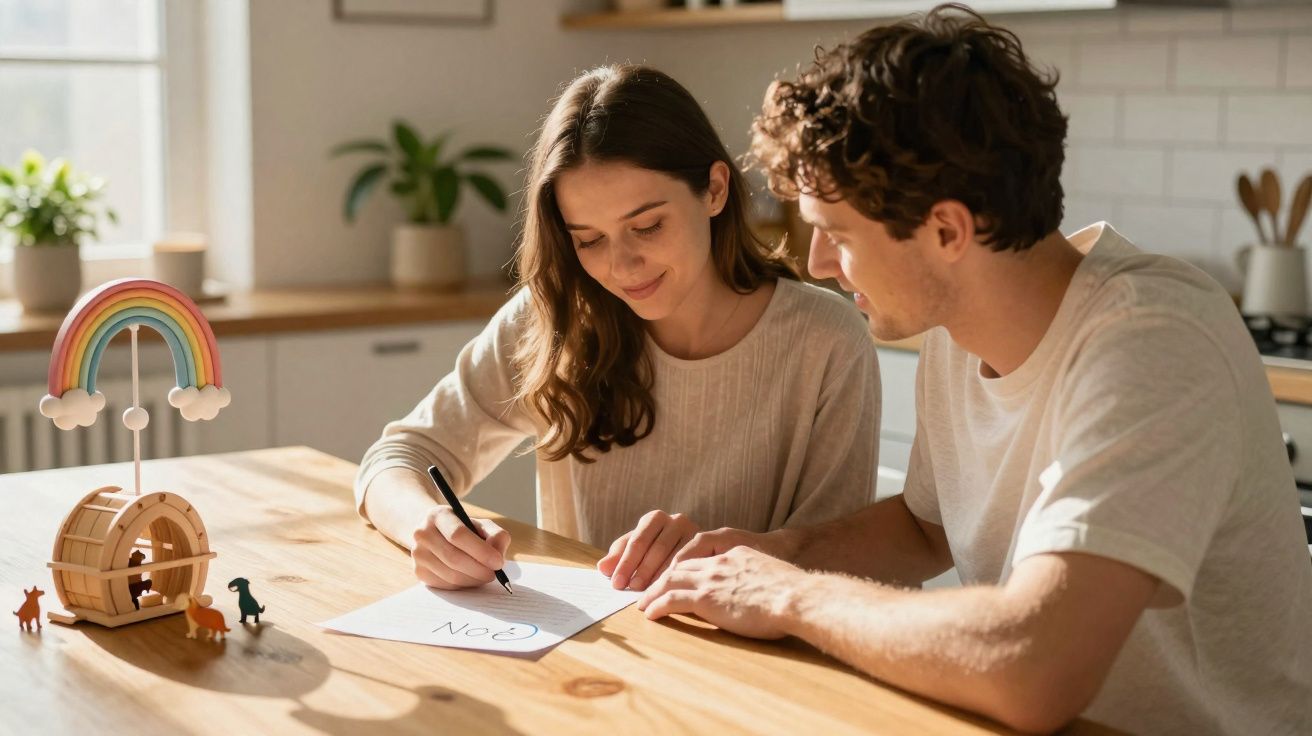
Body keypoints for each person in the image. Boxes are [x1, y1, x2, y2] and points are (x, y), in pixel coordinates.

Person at [637, 6, 1312, 734]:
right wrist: (772, 554)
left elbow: (1034, 667)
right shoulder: (957, 333)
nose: (816, 265)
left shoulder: (1154, 340)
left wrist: (789, 597)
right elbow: (926, 528)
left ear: (948, 231)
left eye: (836, 235)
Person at [355, 65, 881, 597]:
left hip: (752, 667)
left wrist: (726, 558)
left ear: (716, 190)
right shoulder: (554, 318)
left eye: (647, 226)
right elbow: (395, 459)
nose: (623, 267)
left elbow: (843, 566)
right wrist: (427, 525)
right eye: (588, 239)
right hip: (587, 662)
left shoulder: (826, 341)